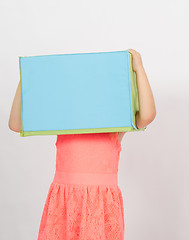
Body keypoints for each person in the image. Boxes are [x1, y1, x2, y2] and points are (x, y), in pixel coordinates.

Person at [8, 49, 156, 240]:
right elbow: (16, 124)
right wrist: (28, 75)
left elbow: (147, 116)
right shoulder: (64, 121)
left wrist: (139, 69)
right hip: (65, 202)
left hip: (99, 204)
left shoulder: (114, 124)